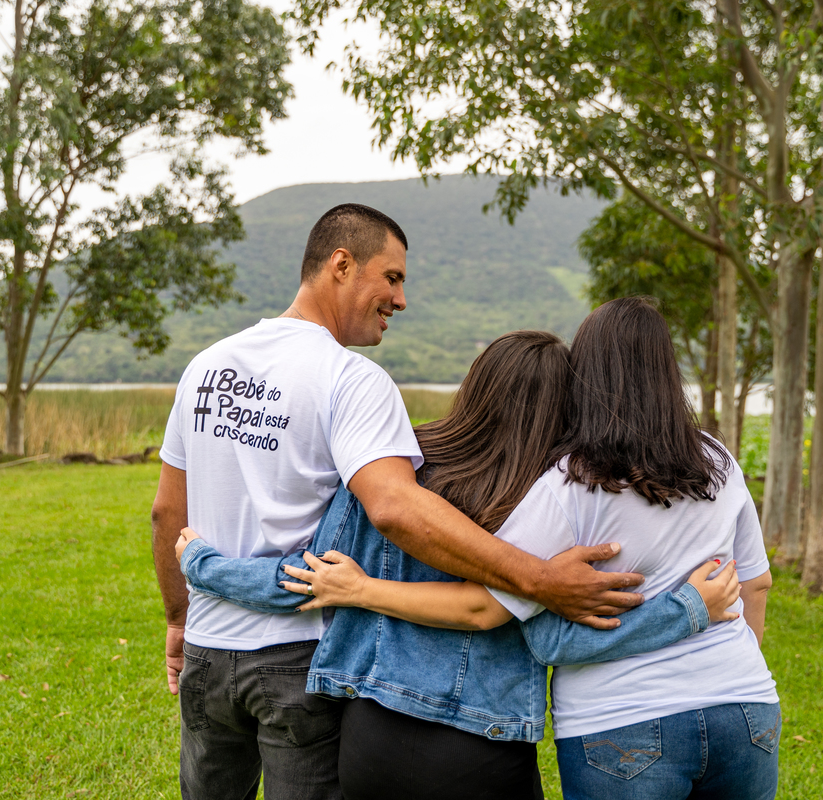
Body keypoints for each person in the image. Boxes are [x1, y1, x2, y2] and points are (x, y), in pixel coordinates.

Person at [152, 205, 652, 800]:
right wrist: (539, 579)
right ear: (342, 264)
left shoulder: (206, 366)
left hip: (208, 645)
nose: (401, 299)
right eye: (392, 278)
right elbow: (393, 507)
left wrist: (178, 618)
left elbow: (167, 513)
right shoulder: (351, 378)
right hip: (297, 654)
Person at [175, 329, 742, 799]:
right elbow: (537, 630)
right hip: (483, 744)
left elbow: (302, 579)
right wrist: (688, 607)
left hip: (372, 732)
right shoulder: (545, 499)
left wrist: (202, 564)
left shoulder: (393, 472)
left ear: (476, 385)